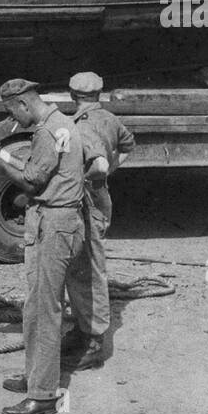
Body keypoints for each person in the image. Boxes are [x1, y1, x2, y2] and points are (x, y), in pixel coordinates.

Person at [0, 79, 85, 414]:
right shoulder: (62, 124)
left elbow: (32, 180)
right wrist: (2, 155)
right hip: (58, 219)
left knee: (44, 308)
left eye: (13, 112)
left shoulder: (47, 132)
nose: (15, 120)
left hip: (53, 223)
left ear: (22, 104)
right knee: (37, 304)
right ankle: (37, 376)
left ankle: (44, 393)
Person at [64, 72, 135, 371]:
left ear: (71, 95)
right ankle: (83, 330)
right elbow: (128, 146)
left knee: (88, 271)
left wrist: (86, 178)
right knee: (80, 268)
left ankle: (94, 343)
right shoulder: (109, 118)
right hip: (99, 196)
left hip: (87, 200)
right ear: (100, 93)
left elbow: (100, 164)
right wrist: (109, 174)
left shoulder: (81, 124)